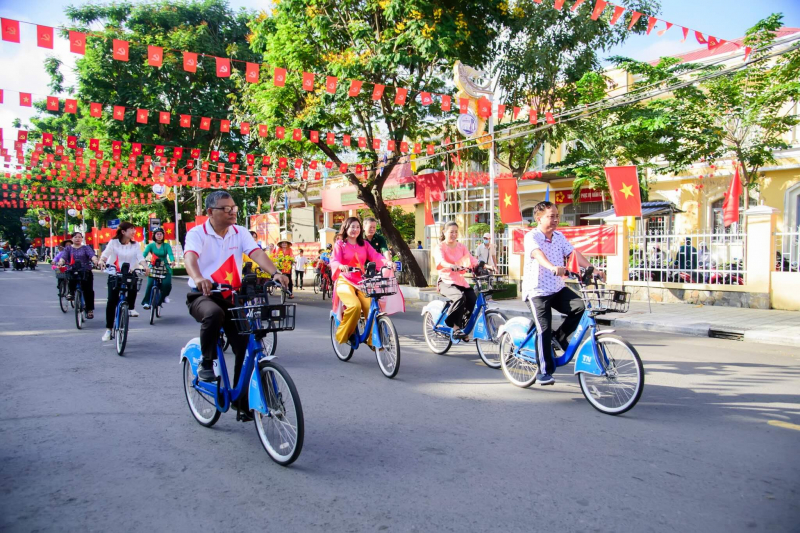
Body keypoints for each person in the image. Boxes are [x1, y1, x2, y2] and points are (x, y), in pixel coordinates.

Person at [183, 191, 288, 410]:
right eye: (226, 209)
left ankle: (242, 403)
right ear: (210, 212)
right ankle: (206, 362)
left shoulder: (240, 232)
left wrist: (275, 273)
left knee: (246, 347)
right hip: (203, 295)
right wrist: (199, 278)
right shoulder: (197, 233)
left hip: (232, 297)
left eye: (234, 208)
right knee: (214, 314)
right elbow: (190, 257)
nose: (232, 212)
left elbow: (256, 253)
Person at [523, 201, 599, 386]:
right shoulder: (532, 236)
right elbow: (537, 254)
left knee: (580, 307)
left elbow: (573, 254)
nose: (556, 219)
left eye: (557, 216)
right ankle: (543, 372)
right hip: (537, 290)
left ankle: (559, 338)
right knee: (544, 329)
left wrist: (593, 269)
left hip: (557, 287)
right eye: (551, 216)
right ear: (539, 218)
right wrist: (552, 267)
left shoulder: (559, 236)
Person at [330, 217, 389, 345]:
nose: (355, 230)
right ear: (346, 228)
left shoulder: (364, 244)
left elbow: (376, 256)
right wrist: (341, 266)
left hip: (361, 281)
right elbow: (334, 260)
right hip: (345, 280)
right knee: (355, 306)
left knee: (370, 307)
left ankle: (373, 341)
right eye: (352, 227)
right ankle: (343, 334)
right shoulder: (340, 244)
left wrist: (387, 262)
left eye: (357, 227)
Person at [99, 222, 147, 341]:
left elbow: (140, 257)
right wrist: (102, 261)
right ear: (123, 232)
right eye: (131, 229)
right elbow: (106, 254)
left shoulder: (135, 244)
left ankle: (130, 308)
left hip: (130, 272)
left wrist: (145, 266)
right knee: (112, 301)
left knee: (134, 286)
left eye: (134, 229)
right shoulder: (113, 242)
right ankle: (109, 329)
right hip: (114, 273)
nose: (134, 232)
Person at [434, 222, 480, 339]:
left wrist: (484, 265)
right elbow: (441, 261)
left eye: (456, 232)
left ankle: (462, 328)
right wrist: (451, 265)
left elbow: (471, 259)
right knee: (459, 297)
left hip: (460, 281)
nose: (454, 234)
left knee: (472, 299)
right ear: (444, 232)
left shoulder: (461, 247)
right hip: (445, 281)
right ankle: (453, 326)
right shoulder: (440, 247)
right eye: (451, 232)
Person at [58, 231, 99, 319]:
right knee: (71, 279)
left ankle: (89, 310)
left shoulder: (86, 248)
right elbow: (63, 257)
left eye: (79, 237)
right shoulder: (68, 248)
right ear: (72, 239)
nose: (77, 239)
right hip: (72, 270)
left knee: (88, 291)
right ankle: (71, 293)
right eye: (75, 237)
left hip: (85, 270)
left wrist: (95, 260)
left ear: (82, 239)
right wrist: (61, 262)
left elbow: (92, 255)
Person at [141, 227, 175, 309]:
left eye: (161, 234)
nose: (159, 236)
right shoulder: (150, 245)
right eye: (157, 234)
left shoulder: (166, 245)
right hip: (153, 266)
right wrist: (141, 260)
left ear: (163, 235)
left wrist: (172, 260)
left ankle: (164, 296)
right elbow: (144, 253)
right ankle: (146, 302)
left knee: (167, 284)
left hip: (165, 267)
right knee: (150, 284)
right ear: (154, 235)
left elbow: (170, 254)